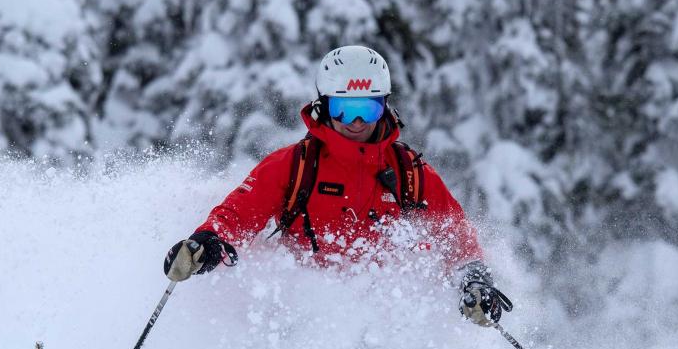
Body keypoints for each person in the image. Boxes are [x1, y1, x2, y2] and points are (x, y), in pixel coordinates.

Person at [163, 45, 511, 326]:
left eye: (368, 109)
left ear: (384, 107)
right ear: (325, 106)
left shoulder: (411, 174)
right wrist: (206, 242)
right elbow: (239, 212)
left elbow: (456, 237)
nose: (357, 122)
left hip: (383, 329)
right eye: (345, 109)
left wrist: (476, 281)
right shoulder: (295, 165)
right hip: (298, 321)